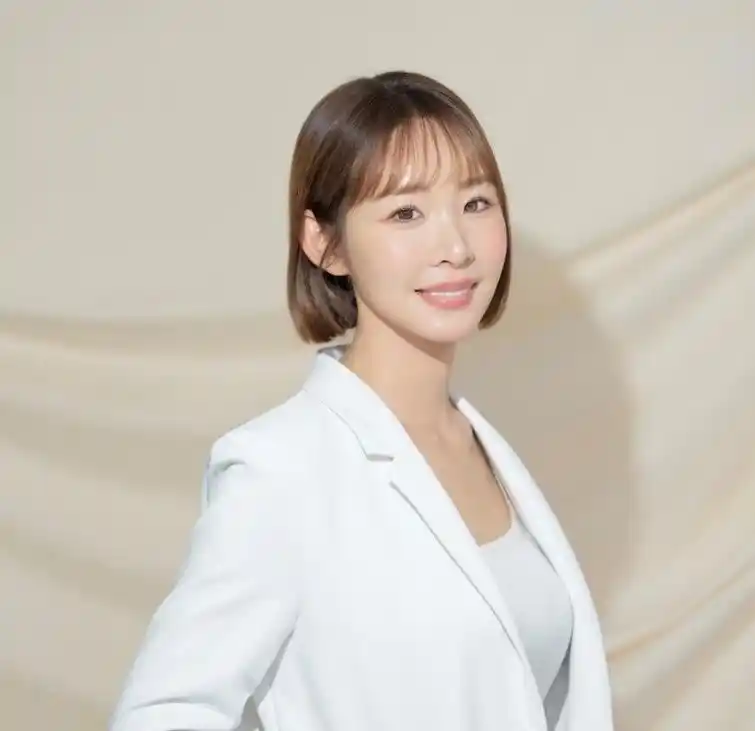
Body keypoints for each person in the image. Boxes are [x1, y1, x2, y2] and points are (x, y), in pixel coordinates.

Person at [109, 70, 613, 731]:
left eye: (476, 202)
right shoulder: (278, 469)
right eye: (405, 212)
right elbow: (163, 712)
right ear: (325, 243)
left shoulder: (488, 452)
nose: (455, 247)